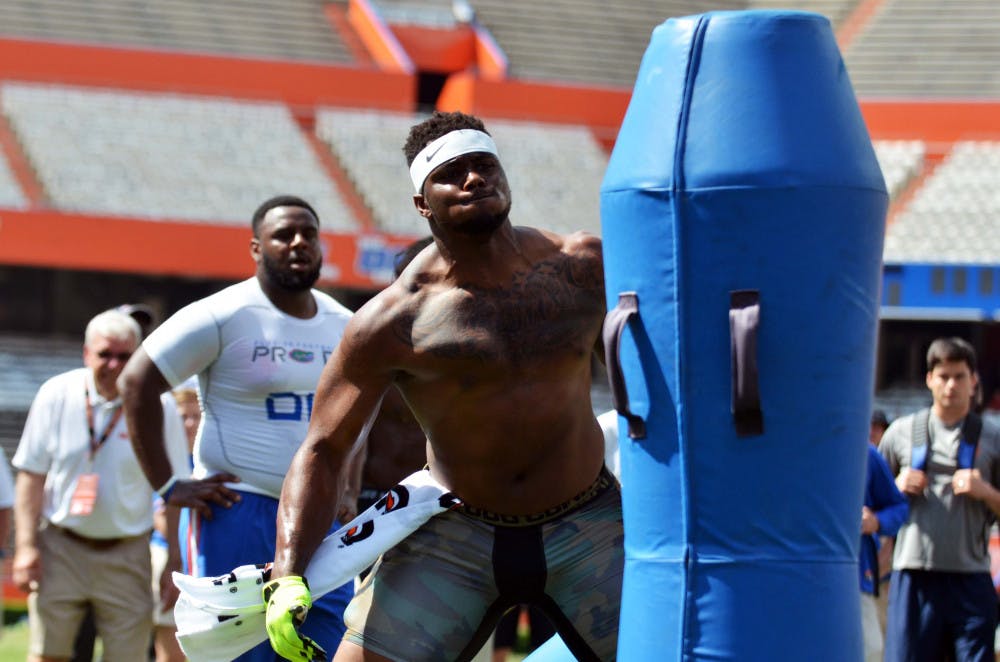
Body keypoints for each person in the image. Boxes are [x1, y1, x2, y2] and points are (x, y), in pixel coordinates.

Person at [264, 110, 623, 662]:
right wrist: (288, 576)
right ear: (421, 203)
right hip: (456, 532)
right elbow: (323, 448)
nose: (474, 179)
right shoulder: (392, 320)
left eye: (484, 165)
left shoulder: (582, 266)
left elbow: (654, 384)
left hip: (589, 518)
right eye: (453, 173)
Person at [118, 194, 358, 661]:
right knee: (239, 650)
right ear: (256, 248)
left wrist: (347, 486)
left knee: (322, 645)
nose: (298, 243)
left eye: (308, 234)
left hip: (319, 512)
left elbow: (358, 414)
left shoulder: (345, 325)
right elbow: (135, 382)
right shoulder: (223, 314)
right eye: (283, 234)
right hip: (237, 505)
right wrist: (169, 484)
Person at [11, 310, 189, 662]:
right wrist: (26, 546)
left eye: (125, 356)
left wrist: (174, 561)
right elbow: (31, 475)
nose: (114, 364)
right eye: (104, 354)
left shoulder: (160, 406)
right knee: (48, 654)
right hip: (61, 546)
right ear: (86, 354)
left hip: (127, 551)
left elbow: (175, 490)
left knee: (127, 656)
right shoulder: (56, 393)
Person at [879, 337, 1000, 662]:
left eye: (959, 376)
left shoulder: (992, 438)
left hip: (971, 579)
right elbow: (870, 506)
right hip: (914, 577)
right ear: (929, 379)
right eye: (943, 376)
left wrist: (986, 492)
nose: (951, 385)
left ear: (974, 380)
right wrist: (897, 486)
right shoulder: (901, 433)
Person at [149, 387, 198, 662]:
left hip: (205, 554)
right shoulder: (161, 462)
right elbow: (158, 516)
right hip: (167, 553)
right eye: (182, 417)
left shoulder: (211, 459)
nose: (189, 423)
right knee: (171, 646)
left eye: (195, 416)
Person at [859, 442, 908, 662]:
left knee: (870, 650)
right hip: (791, 574)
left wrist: (876, 522)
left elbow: (898, 508)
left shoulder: (862, 452)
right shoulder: (785, 443)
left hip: (855, 576)